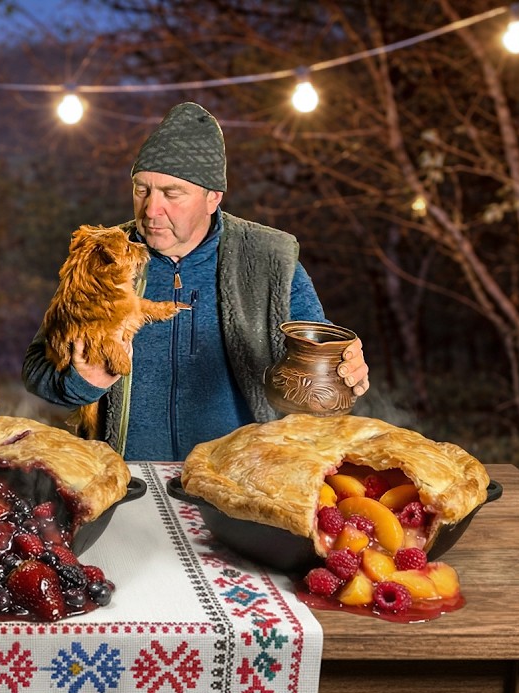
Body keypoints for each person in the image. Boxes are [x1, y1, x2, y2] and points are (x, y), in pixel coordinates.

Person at [22, 101, 369, 461]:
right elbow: (35, 370)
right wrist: (83, 383)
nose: (151, 210)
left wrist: (347, 367)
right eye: (142, 189)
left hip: (242, 479)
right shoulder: (102, 257)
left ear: (212, 198)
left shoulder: (269, 260)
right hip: (126, 481)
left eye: (172, 194)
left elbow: (319, 348)